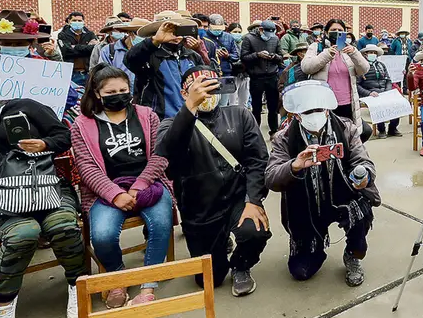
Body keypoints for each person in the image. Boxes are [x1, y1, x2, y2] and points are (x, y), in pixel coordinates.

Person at [0, 87, 85, 318]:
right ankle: (2, 304)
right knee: (23, 233)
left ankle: (79, 285)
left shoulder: (23, 107)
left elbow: (65, 136)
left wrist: (44, 144)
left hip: (45, 186)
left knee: (63, 225)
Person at [156, 66, 272, 296]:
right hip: (200, 208)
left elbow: (258, 160)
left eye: (211, 86)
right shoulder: (170, 124)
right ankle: (218, 245)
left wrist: (253, 200)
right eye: (198, 88)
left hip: (237, 197)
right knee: (210, 279)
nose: (206, 93)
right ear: (184, 93)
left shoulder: (240, 115)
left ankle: (241, 265)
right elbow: (169, 153)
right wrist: (190, 108)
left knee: (254, 231)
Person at [71, 64, 173, 309]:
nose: (118, 95)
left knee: (161, 224)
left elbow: (160, 156)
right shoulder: (82, 125)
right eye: (110, 92)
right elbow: (86, 168)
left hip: (149, 184)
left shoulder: (147, 115)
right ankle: (118, 277)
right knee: (103, 236)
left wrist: (139, 185)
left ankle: (148, 285)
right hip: (104, 191)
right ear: (97, 93)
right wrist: (115, 194)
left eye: (123, 90)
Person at [265, 81, 379, 286]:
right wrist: (294, 166)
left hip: (342, 195)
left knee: (360, 212)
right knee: (300, 272)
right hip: (306, 204)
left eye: (319, 109)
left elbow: (363, 160)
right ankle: (312, 247)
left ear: (327, 110)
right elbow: (271, 177)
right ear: (297, 115)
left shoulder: (346, 128)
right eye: (308, 111)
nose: (314, 115)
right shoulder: (284, 138)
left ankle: (353, 254)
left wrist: (363, 175)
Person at [124, 11, 206, 119]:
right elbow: (129, 60)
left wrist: (199, 49)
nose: (173, 35)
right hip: (158, 119)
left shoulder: (192, 55)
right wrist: (155, 41)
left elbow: (205, 80)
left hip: (190, 117)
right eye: (168, 31)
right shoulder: (148, 55)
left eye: (177, 31)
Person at [300, 19, 370, 122]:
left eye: (340, 30)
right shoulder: (316, 47)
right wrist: (327, 55)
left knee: (348, 130)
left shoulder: (349, 50)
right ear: (326, 32)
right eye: (333, 30)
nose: (337, 32)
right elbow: (306, 67)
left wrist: (354, 53)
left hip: (347, 103)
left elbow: (364, 69)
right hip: (324, 103)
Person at [240, 20, 285, 136]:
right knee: (256, 107)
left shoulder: (275, 39)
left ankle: (274, 131)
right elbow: (244, 57)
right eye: (267, 33)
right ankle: (255, 132)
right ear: (261, 30)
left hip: (272, 76)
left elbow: (281, 56)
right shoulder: (249, 38)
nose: (269, 36)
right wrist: (257, 55)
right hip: (256, 77)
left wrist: (274, 56)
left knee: (273, 106)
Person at [357, 44, 401, 138]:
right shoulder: (361, 67)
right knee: (379, 105)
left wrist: (388, 91)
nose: (373, 54)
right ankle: (381, 129)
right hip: (370, 93)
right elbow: (357, 85)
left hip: (384, 92)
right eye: (370, 52)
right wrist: (369, 93)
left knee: (397, 104)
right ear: (365, 54)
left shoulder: (381, 65)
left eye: (374, 52)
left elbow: (388, 80)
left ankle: (392, 128)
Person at [98, 17, 147, 90]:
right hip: (119, 93)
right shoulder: (108, 51)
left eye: (145, 35)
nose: (142, 38)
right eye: (138, 34)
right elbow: (103, 76)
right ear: (129, 33)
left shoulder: (148, 50)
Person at [57, 11, 98, 86]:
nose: (77, 22)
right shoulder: (63, 35)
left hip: (88, 72)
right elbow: (66, 52)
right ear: (69, 21)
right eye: (74, 20)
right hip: (72, 73)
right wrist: (87, 48)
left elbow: (94, 49)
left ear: (83, 22)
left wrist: (75, 47)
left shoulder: (90, 34)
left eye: (79, 20)